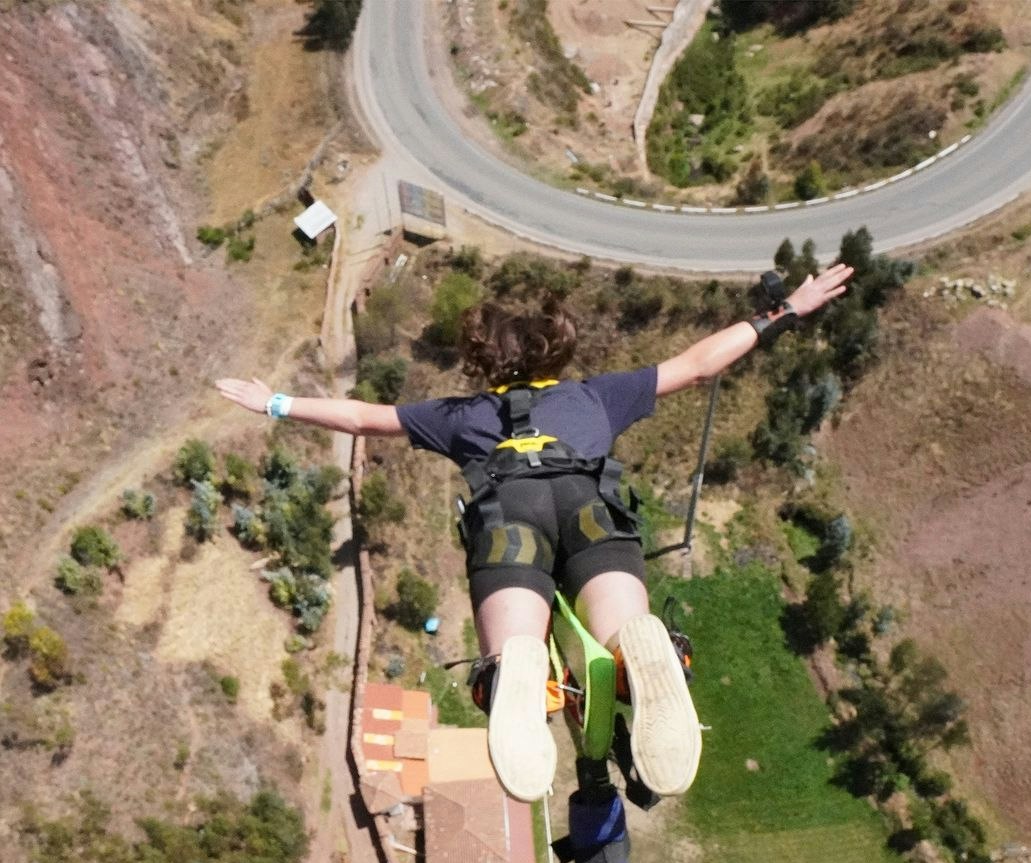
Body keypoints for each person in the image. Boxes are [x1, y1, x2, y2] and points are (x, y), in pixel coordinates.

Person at [217, 260, 853, 802]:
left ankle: (518, 668)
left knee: (511, 654)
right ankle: (638, 650)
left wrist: (274, 401)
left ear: (486, 364)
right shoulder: (597, 396)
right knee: (623, 631)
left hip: (509, 512)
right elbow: (697, 364)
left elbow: (360, 416)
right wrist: (786, 311)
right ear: (557, 353)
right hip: (590, 502)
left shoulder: (461, 415)